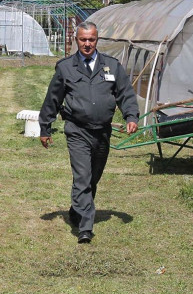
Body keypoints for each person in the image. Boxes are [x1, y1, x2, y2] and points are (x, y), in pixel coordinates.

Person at [38, 22, 139, 244]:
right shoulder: (65, 68)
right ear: (76, 40)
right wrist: (45, 127)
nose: (87, 44)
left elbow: (125, 93)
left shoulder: (111, 66)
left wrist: (131, 116)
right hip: (77, 131)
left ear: (97, 40)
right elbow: (52, 99)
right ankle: (85, 227)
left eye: (91, 40)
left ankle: (77, 210)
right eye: (83, 39)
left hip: (102, 132)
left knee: (93, 178)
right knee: (82, 177)